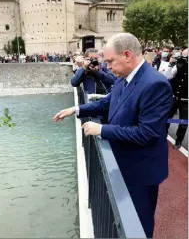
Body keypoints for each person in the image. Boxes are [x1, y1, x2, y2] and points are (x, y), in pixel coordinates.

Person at [53, 33, 173, 238]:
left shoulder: (155, 84)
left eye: (110, 61)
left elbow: (148, 133)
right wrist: (77, 109)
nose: (107, 67)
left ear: (127, 55)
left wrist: (102, 130)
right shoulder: (124, 77)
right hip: (123, 163)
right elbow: (107, 103)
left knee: (138, 227)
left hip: (140, 171)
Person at [167, 48, 188, 149]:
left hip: (186, 101)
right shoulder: (179, 65)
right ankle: (163, 135)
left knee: (183, 122)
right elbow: (169, 76)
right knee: (167, 117)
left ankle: (179, 140)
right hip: (174, 97)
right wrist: (171, 64)